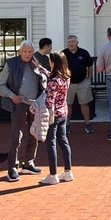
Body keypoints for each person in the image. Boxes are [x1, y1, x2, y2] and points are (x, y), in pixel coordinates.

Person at [0, 40, 47, 182]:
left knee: (34, 133)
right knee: (16, 136)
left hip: (35, 104)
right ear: (20, 52)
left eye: (30, 52)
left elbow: (46, 80)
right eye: (24, 52)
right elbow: (0, 86)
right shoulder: (11, 64)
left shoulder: (36, 62)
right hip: (18, 104)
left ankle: (28, 163)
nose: (27, 54)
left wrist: (42, 74)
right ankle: (12, 167)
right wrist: (13, 96)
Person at [35, 51, 74, 185]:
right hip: (63, 113)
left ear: (54, 63)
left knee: (51, 142)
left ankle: (53, 175)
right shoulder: (65, 77)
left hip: (53, 114)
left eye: (51, 60)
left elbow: (49, 100)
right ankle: (68, 172)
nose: (49, 62)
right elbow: (50, 74)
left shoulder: (53, 81)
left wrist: (38, 106)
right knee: (63, 141)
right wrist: (40, 67)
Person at [63, 34, 94, 134]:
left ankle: (87, 124)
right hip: (68, 83)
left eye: (73, 42)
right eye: (69, 42)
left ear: (77, 43)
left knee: (84, 104)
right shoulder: (63, 54)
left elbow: (90, 66)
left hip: (82, 83)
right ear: (67, 43)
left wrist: (89, 79)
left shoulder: (84, 53)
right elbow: (58, 67)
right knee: (68, 105)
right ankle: (67, 125)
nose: (71, 44)